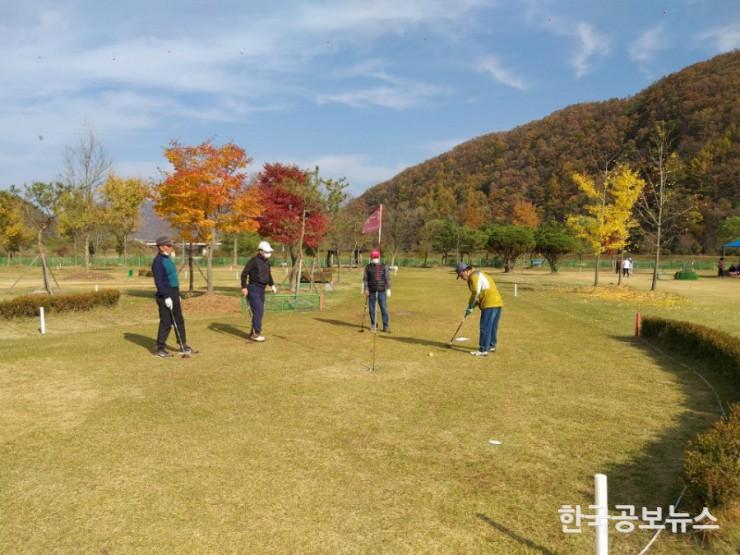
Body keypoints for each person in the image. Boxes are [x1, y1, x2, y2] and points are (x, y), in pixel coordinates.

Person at [151, 236, 193, 357]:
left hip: (173, 293)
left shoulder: (168, 259)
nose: (171, 247)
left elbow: (173, 279)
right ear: (161, 246)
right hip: (165, 294)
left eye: (171, 245)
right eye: (168, 246)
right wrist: (166, 297)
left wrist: (177, 294)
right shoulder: (158, 261)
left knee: (179, 319)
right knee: (166, 322)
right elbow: (159, 281)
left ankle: (182, 345)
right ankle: (160, 348)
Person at [454, 263, 503, 357]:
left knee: (485, 326)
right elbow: (479, 293)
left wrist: (470, 306)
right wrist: (472, 306)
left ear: (466, 271)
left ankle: (483, 349)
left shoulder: (473, 276)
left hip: (489, 302)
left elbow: (476, 292)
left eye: (461, 275)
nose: (461, 278)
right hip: (497, 302)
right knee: (492, 326)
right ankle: (491, 345)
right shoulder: (479, 273)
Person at [241, 241, 277, 342]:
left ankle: (253, 333)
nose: (268, 253)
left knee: (259, 312)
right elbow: (244, 274)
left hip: (262, 289)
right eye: (266, 251)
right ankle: (256, 334)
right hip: (253, 288)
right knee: (258, 311)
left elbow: (268, 275)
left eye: (269, 252)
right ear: (260, 251)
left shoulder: (267, 262)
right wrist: (244, 287)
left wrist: (272, 285)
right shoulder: (253, 261)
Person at [363, 249, 391, 333]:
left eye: (376, 257)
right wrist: (366, 288)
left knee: (384, 308)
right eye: (373, 257)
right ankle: (373, 324)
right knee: (372, 309)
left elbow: (387, 278)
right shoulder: (368, 267)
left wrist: (388, 288)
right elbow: (365, 279)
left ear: (378, 257)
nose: (374, 258)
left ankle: (385, 326)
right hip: (371, 291)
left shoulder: (384, 266)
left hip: (382, 291)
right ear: (371, 257)